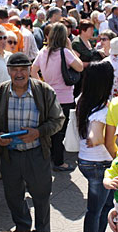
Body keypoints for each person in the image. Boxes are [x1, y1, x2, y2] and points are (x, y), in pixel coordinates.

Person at [0, 53, 65, 232]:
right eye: (14, 69)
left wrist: (39, 132)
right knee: (13, 195)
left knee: (41, 195)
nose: (19, 73)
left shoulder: (44, 92)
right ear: (8, 71)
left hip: (37, 153)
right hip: (10, 155)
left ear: (30, 69)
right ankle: (22, 225)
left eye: (23, 69)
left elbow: (58, 120)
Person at [31, 22, 84, 171]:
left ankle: (52, 158)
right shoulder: (65, 52)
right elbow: (79, 67)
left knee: (50, 130)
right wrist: (70, 47)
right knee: (60, 131)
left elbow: (33, 70)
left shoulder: (43, 52)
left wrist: (42, 84)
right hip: (65, 97)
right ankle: (59, 162)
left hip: (48, 96)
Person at [76, 61, 115, 232]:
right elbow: (94, 138)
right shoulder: (103, 109)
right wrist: (97, 138)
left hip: (86, 161)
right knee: (96, 209)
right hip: (99, 163)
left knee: (105, 204)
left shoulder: (83, 99)